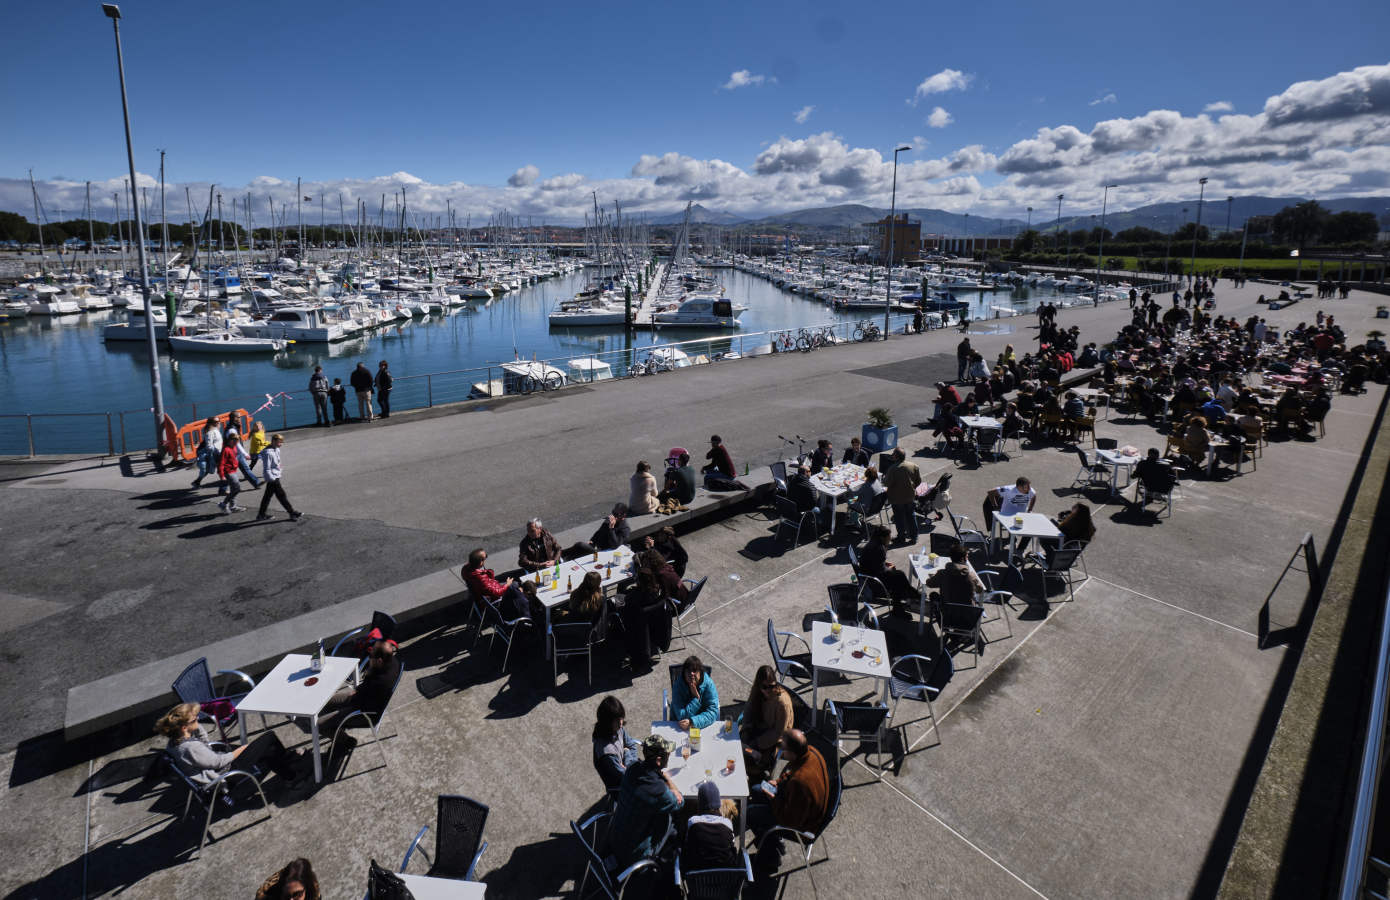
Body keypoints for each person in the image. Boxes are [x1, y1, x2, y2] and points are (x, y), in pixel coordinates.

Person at [156, 702, 302, 787]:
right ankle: (290, 774)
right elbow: (219, 762)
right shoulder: (190, 748)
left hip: (217, 765)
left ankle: (288, 772)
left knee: (266, 750)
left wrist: (195, 725)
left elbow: (205, 744)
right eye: (194, 720)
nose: (197, 720)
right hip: (226, 773)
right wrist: (243, 749)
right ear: (184, 728)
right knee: (269, 738)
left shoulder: (174, 742)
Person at [748, 730, 830, 873]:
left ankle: (771, 858)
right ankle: (773, 842)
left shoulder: (800, 782)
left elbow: (789, 820)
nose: (780, 751)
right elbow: (791, 773)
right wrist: (778, 782)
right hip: (795, 803)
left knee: (749, 814)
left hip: (803, 824)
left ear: (792, 753)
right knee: (756, 789)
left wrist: (772, 798)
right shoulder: (811, 752)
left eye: (782, 748)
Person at [608, 735, 683, 868]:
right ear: (659, 761)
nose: (669, 755)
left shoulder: (633, 768)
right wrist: (667, 780)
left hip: (615, 839)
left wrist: (626, 751)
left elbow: (631, 761)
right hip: (635, 855)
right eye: (668, 754)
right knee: (671, 817)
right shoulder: (657, 789)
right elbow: (679, 802)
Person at [319, 639, 400, 727]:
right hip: (362, 698)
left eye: (371, 656)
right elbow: (362, 691)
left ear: (379, 661)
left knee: (319, 724)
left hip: (363, 713)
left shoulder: (379, 681)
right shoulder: (393, 661)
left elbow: (360, 702)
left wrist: (369, 671)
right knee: (324, 701)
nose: (369, 658)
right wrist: (357, 690)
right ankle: (335, 723)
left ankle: (346, 740)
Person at [741, 665, 793, 781]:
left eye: (772, 686)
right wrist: (746, 729)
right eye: (765, 687)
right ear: (759, 685)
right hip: (759, 730)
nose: (769, 690)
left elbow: (778, 733)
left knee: (747, 757)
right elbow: (748, 711)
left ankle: (757, 775)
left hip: (772, 742)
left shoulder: (782, 703)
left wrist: (757, 743)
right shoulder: (757, 692)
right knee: (736, 748)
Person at [858, 525, 917, 611]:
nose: (890, 538)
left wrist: (885, 564)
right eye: (889, 536)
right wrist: (889, 569)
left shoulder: (872, 543)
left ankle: (909, 594)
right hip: (873, 580)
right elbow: (881, 571)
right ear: (882, 538)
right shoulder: (879, 549)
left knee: (898, 575)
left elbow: (874, 561)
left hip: (868, 574)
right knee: (898, 576)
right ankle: (903, 602)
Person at [461, 548, 528, 621]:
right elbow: (497, 593)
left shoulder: (466, 569)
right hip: (494, 598)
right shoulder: (480, 579)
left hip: (487, 590)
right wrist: (507, 584)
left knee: (511, 579)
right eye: (485, 557)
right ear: (481, 562)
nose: (486, 558)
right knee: (515, 585)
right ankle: (525, 609)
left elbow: (487, 585)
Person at [683, 781, 738, 871]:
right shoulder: (727, 823)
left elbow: (687, 845)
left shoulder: (693, 822)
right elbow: (732, 848)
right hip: (726, 877)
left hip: (697, 879)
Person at [592, 695, 641, 792]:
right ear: (607, 723)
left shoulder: (617, 728)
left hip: (628, 768)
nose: (621, 723)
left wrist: (629, 760)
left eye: (621, 718)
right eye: (617, 720)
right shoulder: (607, 754)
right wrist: (627, 753)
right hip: (619, 787)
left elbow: (631, 745)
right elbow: (626, 776)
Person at [256, 434, 304, 521]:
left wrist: (279, 470)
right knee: (281, 495)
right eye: (279, 442)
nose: (280, 444)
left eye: (281, 442)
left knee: (267, 497)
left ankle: (261, 514)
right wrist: (271, 479)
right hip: (273, 478)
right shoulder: (268, 453)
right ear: (273, 441)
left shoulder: (276, 449)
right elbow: (267, 468)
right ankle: (292, 512)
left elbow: (277, 462)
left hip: (275, 476)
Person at [881, 448, 922, 544]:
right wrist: (911, 488)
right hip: (910, 497)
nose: (892, 455)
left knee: (899, 518)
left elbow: (886, 483)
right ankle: (914, 537)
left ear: (896, 456)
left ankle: (901, 537)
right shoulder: (914, 466)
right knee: (911, 516)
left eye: (893, 454)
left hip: (897, 499)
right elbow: (918, 481)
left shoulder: (892, 469)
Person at [670, 655, 719, 731]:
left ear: (700, 672)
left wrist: (692, 721)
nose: (691, 673)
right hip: (678, 725)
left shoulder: (709, 684)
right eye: (688, 671)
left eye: (694, 670)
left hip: (701, 725)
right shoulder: (678, 685)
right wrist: (696, 698)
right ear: (684, 673)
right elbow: (681, 716)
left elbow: (713, 712)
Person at [256, 858, 321, 900]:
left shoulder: (314, 895)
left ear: (307, 888)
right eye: (286, 895)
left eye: (297, 894)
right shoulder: (265, 896)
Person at [787, 464, 823, 532]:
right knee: (819, 507)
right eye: (809, 471)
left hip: (790, 507)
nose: (811, 472)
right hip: (801, 508)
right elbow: (814, 503)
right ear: (805, 473)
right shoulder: (809, 487)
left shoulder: (792, 481)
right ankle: (819, 526)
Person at [190, 416, 222, 488]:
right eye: (216, 422)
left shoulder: (216, 430)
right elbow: (209, 446)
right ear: (211, 423)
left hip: (215, 453)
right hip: (209, 453)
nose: (219, 422)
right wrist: (218, 452)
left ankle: (197, 482)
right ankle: (224, 486)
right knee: (211, 469)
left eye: (219, 421)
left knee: (216, 469)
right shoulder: (210, 433)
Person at [216, 439, 244, 513]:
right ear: (229, 441)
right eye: (234, 441)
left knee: (233, 489)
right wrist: (221, 475)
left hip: (233, 471)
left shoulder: (233, 447)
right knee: (237, 489)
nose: (235, 443)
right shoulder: (226, 449)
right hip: (228, 472)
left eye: (236, 441)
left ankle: (233, 506)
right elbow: (221, 463)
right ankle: (224, 504)